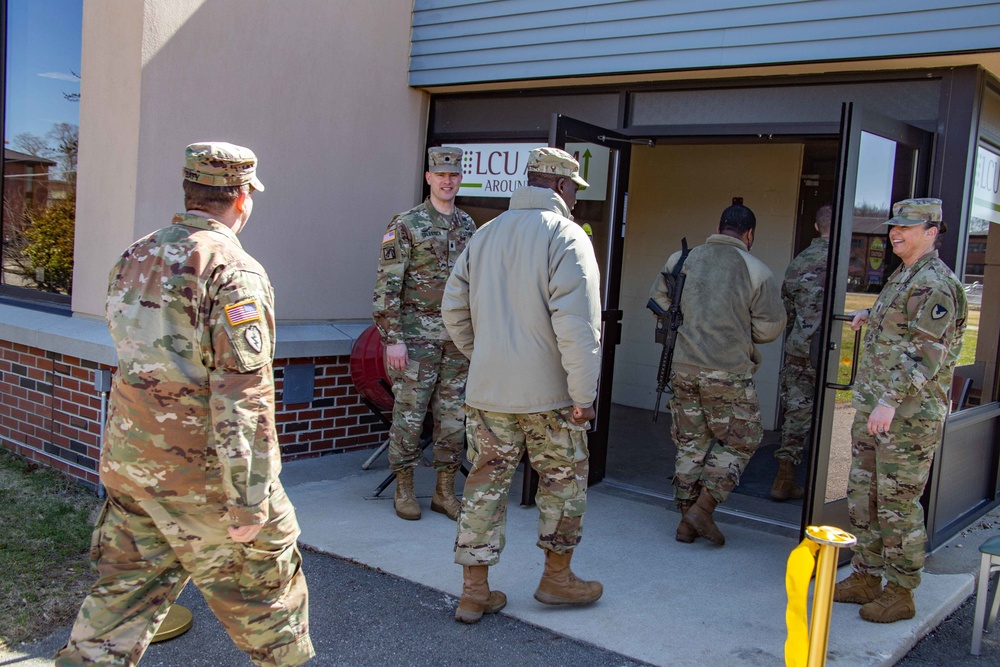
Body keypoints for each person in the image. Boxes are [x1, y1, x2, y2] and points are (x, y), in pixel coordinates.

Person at [54, 143, 314, 666]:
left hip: (134, 470)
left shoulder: (136, 254)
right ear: (241, 198)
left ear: (191, 191)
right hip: (205, 483)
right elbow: (243, 399)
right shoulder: (234, 271)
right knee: (272, 618)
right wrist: (249, 502)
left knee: (116, 614)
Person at [442, 147, 603, 624]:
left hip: (489, 392)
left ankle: (474, 592)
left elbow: (453, 309)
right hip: (551, 397)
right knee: (563, 484)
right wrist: (584, 397)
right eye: (574, 190)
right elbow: (578, 328)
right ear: (559, 186)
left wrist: (486, 356)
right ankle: (556, 579)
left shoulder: (486, 234)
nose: (575, 200)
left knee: (484, 486)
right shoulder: (566, 235)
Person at [833, 198, 967, 623]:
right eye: (894, 225)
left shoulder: (937, 283)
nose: (896, 232)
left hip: (906, 417)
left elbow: (927, 352)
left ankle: (901, 592)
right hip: (877, 408)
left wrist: (890, 402)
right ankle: (867, 576)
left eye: (906, 227)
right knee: (863, 496)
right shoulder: (905, 275)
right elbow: (904, 322)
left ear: (932, 232)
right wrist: (871, 314)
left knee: (897, 504)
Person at [649, 203, 785, 546]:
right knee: (743, 440)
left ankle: (686, 521)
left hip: (682, 367)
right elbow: (769, 329)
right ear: (749, 234)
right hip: (728, 373)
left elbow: (658, 302)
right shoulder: (756, 270)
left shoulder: (680, 259)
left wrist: (689, 324)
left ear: (719, 226)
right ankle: (703, 509)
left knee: (690, 443)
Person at [373, 146, 477, 521]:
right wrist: (392, 339)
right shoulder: (407, 223)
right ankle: (403, 488)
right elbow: (387, 286)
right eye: (441, 174)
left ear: (459, 179)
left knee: (453, 419)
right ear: (429, 178)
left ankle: (444, 492)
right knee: (410, 415)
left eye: (454, 175)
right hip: (415, 340)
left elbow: (473, 285)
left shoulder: (468, 225)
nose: (447, 181)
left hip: (457, 341)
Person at [771, 204, 832, 501]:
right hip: (837, 353)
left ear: (816, 227)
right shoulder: (844, 261)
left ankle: (784, 478)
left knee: (796, 413)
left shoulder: (800, 262)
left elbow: (788, 312)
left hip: (801, 348)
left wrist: (799, 335)